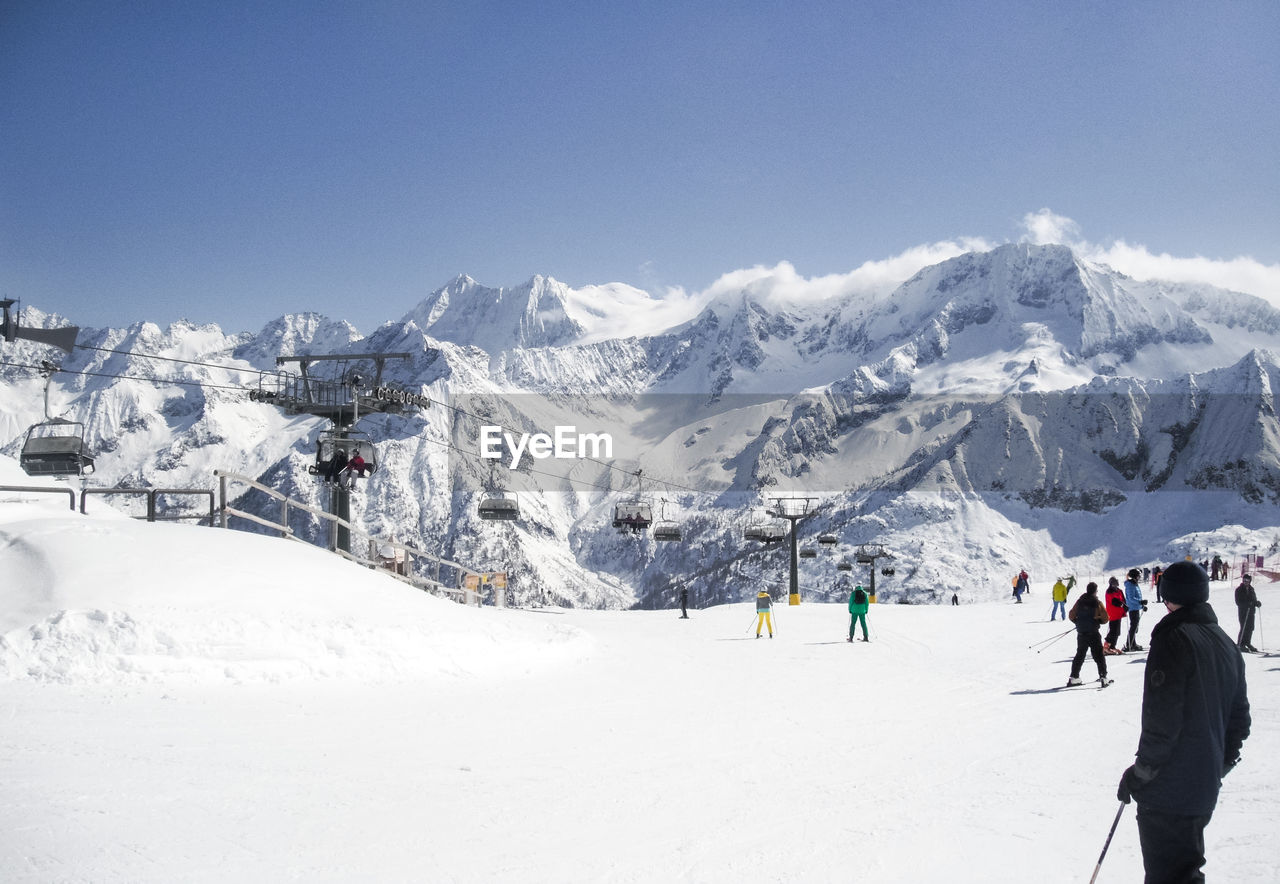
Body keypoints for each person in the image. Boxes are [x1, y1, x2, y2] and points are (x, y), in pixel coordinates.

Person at [1116, 561, 1250, 883]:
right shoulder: (1226, 644)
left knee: (1169, 876)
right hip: (1201, 789)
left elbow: (1162, 721)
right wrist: (1215, 766)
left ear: (1168, 595)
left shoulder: (1173, 638)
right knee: (1184, 873)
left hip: (1169, 792)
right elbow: (1240, 722)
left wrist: (1141, 774)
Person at [1067, 582, 1111, 686]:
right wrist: (1097, 620)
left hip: (1081, 633)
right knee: (1099, 655)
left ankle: (1074, 677)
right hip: (1093, 633)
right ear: (1095, 591)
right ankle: (1103, 676)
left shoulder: (1080, 601)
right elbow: (1105, 618)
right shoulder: (1097, 602)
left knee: (1080, 655)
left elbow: (1071, 615)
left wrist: (1078, 622)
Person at [1124, 568, 1148, 651]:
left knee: (1135, 627)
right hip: (1132, 609)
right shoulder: (1130, 585)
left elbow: (1136, 597)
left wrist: (1141, 606)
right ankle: (1129, 644)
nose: (1139, 577)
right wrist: (1140, 602)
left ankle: (1133, 643)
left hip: (1136, 608)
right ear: (1135, 576)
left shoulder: (1134, 584)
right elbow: (1131, 598)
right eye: (1138, 576)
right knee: (1133, 627)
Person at [1234, 574, 1260, 652]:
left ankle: (1247, 643)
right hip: (1243, 612)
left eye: (1247, 581)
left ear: (1250, 581)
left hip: (1251, 612)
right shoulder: (1239, 590)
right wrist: (1247, 604)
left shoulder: (1251, 589)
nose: (1245, 582)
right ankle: (1240, 644)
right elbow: (1238, 602)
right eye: (1244, 580)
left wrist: (1256, 603)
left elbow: (1253, 600)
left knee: (1251, 628)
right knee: (1244, 627)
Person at [1104, 577, 1127, 654]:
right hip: (1113, 614)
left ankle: (1112, 646)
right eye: (1113, 584)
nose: (1115, 585)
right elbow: (1114, 601)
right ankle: (1106, 646)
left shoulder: (1119, 591)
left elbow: (1123, 599)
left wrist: (1125, 605)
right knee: (1113, 631)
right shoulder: (1109, 592)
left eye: (1116, 583)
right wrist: (1122, 605)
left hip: (1119, 613)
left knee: (1117, 632)